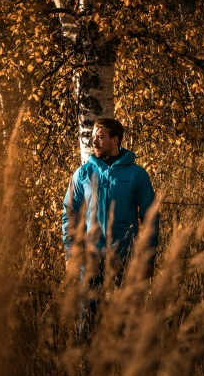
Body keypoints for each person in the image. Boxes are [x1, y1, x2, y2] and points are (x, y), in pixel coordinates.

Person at [62, 118, 158, 334]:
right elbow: (69, 214)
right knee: (88, 318)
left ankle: (125, 365)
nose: (94, 140)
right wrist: (71, 253)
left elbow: (150, 217)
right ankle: (87, 363)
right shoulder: (83, 173)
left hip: (124, 257)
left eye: (100, 136)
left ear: (114, 140)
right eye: (93, 136)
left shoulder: (136, 174)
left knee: (126, 317)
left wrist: (148, 258)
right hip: (91, 257)